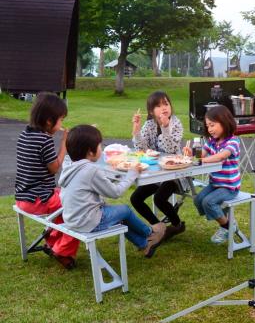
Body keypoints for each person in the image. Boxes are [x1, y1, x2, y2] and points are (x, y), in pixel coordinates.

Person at [58, 125, 166, 258]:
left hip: (72, 218)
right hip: (88, 222)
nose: (101, 149)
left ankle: (144, 243)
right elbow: (115, 193)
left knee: (118, 215)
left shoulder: (70, 167)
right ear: (90, 152)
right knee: (124, 210)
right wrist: (132, 173)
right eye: (99, 145)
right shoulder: (91, 170)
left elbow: (100, 187)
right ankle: (150, 233)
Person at [15, 92, 80, 269]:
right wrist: (64, 143)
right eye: (60, 120)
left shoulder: (25, 134)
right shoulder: (44, 140)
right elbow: (54, 168)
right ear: (49, 121)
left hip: (23, 197)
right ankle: (63, 250)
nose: (61, 124)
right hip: (38, 199)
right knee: (76, 205)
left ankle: (51, 241)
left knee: (62, 198)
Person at [131, 90, 185, 239]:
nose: (164, 108)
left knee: (159, 199)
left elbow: (170, 150)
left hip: (176, 174)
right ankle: (158, 227)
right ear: (151, 111)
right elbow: (141, 150)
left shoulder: (176, 123)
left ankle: (177, 224)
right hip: (156, 173)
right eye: (159, 105)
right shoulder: (149, 125)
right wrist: (136, 131)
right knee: (135, 198)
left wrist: (166, 127)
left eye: (166, 104)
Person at [189, 105, 241, 244]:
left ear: (224, 122)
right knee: (198, 199)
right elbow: (199, 155)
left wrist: (201, 160)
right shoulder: (211, 142)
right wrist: (192, 153)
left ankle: (228, 226)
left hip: (229, 187)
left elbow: (220, 157)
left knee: (208, 202)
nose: (210, 129)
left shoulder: (233, 141)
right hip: (215, 183)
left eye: (212, 125)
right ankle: (224, 218)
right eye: (208, 126)